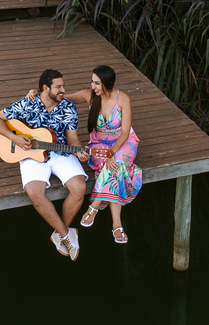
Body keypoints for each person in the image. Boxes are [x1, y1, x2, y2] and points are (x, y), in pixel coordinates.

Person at [0, 69, 88, 260]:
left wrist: (79, 151)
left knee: (79, 187)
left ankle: (60, 234)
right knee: (34, 193)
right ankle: (66, 234)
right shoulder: (28, 103)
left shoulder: (68, 107)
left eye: (63, 86)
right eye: (58, 87)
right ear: (45, 88)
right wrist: (14, 138)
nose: (63, 90)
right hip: (31, 155)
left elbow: (73, 138)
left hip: (60, 152)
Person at [36, 65, 142, 243]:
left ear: (108, 83)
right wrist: (38, 93)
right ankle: (117, 224)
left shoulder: (123, 98)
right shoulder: (90, 95)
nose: (93, 86)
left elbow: (125, 133)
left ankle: (95, 206)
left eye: (97, 83)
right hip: (99, 144)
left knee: (116, 163)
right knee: (114, 168)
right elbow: (60, 97)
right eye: (92, 82)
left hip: (123, 143)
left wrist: (111, 153)